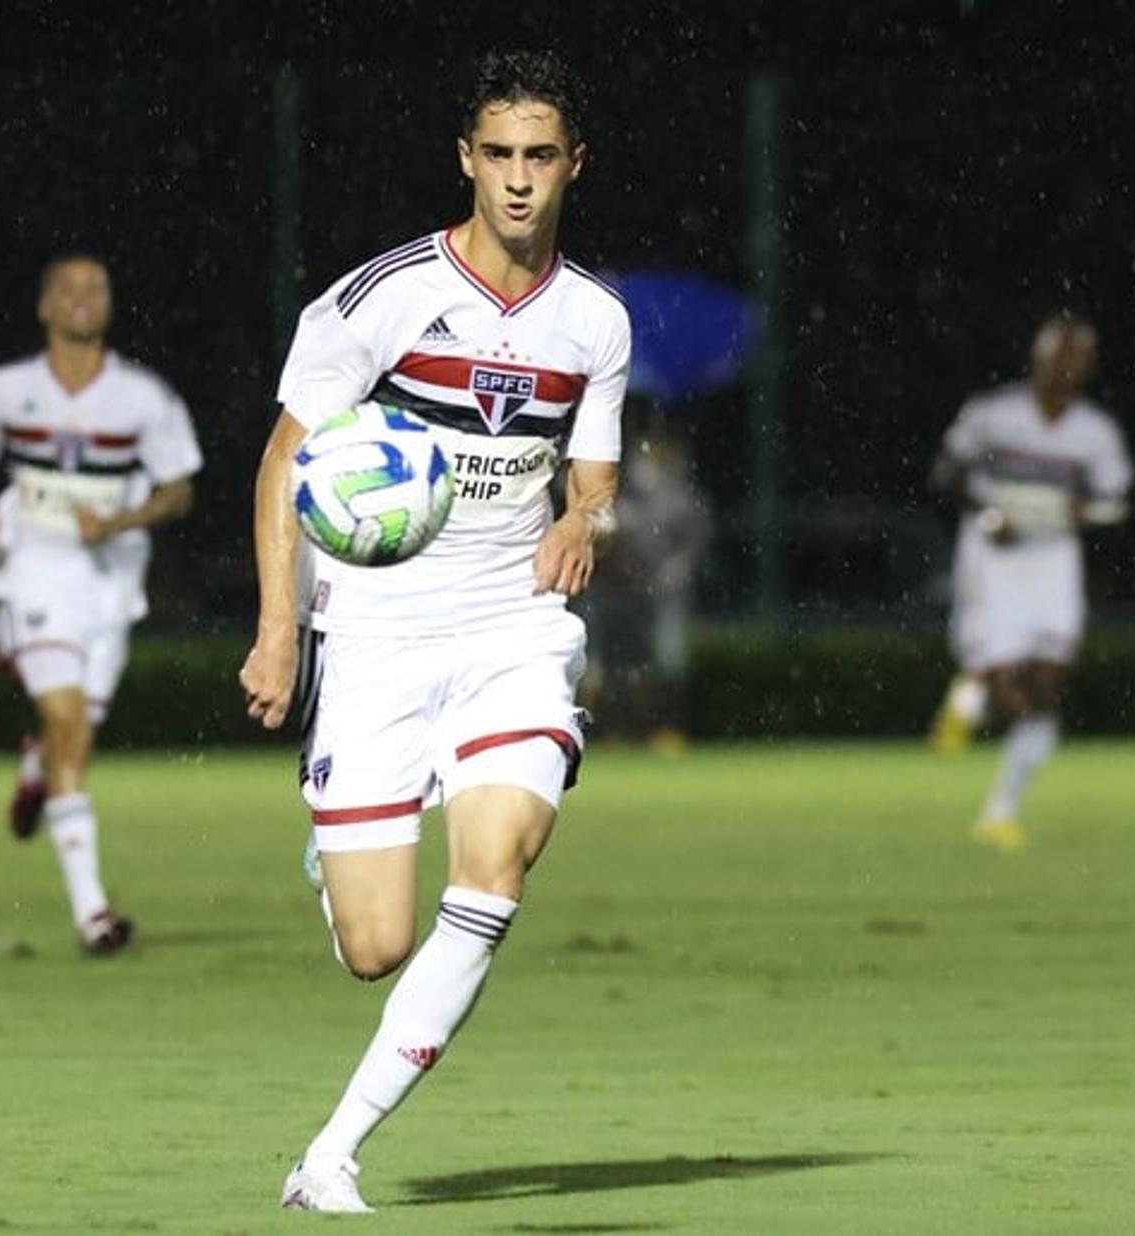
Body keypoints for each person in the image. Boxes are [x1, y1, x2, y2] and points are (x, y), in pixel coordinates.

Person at [239, 50, 629, 1212]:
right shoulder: (381, 299)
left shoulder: (594, 322)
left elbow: (597, 478)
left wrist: (582, 521)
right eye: (499, 156)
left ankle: (331, 1156)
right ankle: (343, 841)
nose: (519, 181)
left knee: (497, 866)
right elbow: (281, 464)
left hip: (514, 626)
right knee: (374, 948)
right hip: (375, 631)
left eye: (540, 157)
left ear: (573, 165)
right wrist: (279, 630)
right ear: (467, 159)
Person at [0, 252, 202, 954]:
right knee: (71, 726)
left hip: (110, 581)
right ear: (44, 307)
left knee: (75, 732)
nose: (82, 299)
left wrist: (119, 522)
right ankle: (94, 912)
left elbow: (178, 489)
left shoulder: (143, 400)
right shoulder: (2, 392)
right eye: (68, 288)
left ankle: (37, 766)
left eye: (96, 288)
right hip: (33, 570)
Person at [929, 312, 1131, 848]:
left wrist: (1087, 512)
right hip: (994, 555)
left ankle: (999, 811)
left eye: (1076, 358)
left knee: (1045, 689)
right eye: (1056, 356)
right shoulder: (993, 414)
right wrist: (988, 513)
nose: (1064, 367)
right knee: (1009, 686)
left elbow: (1115, 499)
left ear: (1087, 367)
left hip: (1053, 559)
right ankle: (979, 694)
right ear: (1037, 359)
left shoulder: (1095, 432)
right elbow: (946, 471)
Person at [582, 412, 711, 749]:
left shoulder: (678, 495)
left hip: (659, 592)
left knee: (661, 662)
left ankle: (662, 728)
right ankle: (611, 730)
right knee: (609, 665)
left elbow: (694, 538)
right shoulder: (621, 495)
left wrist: (669, 575)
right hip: (617, 590)